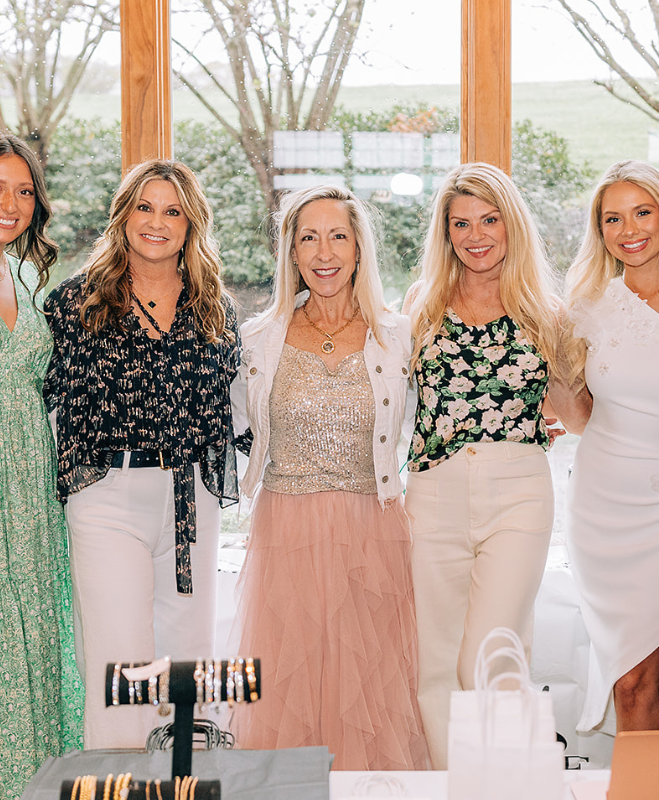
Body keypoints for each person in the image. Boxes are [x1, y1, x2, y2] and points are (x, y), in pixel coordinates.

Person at [229, 185, 429, 770]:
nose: (324, 251)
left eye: (337, 235)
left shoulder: (398, 336)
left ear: (359, 247)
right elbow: (238, 424)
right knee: (291, 689)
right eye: (308, 237)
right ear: (291, 252)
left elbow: (429, 422)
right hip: (286, 530)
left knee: (370, 692)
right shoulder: (257, 339)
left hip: (373, 529)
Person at [44, 159, 240, 748]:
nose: (157, 222)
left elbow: (232, 410)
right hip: (107, 496)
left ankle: (186, 776)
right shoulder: (75, 304)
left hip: (189, 501)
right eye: (145, 207)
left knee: (188, 660)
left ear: (191, 224)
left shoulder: (214, 307)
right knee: (118, 661)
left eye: (173, 210)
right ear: (123, 214)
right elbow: (42, 402)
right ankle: (118, 777)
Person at [403, 162, 562, 769]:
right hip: (434, 490)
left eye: (489, 219)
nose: (476, 234)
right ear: (446, 234)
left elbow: (581, 405)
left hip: (518, 489)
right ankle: (454, 783)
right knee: (436, 661)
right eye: (461, 222)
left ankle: (510, 783)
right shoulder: (420, 304)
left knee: (491, 655)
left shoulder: (544, 309)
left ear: (511, 224)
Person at [0, 132, 83, 797]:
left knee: (37, 663)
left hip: (34, 514)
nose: (10, 204)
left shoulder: (24, 275)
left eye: (25, 190)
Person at [563, 160, 659, 734]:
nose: (629, 229)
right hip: (600, 509)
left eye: (642, 212)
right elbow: (577, 410)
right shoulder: (588, 304)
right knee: (628, 681)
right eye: (612, 218)